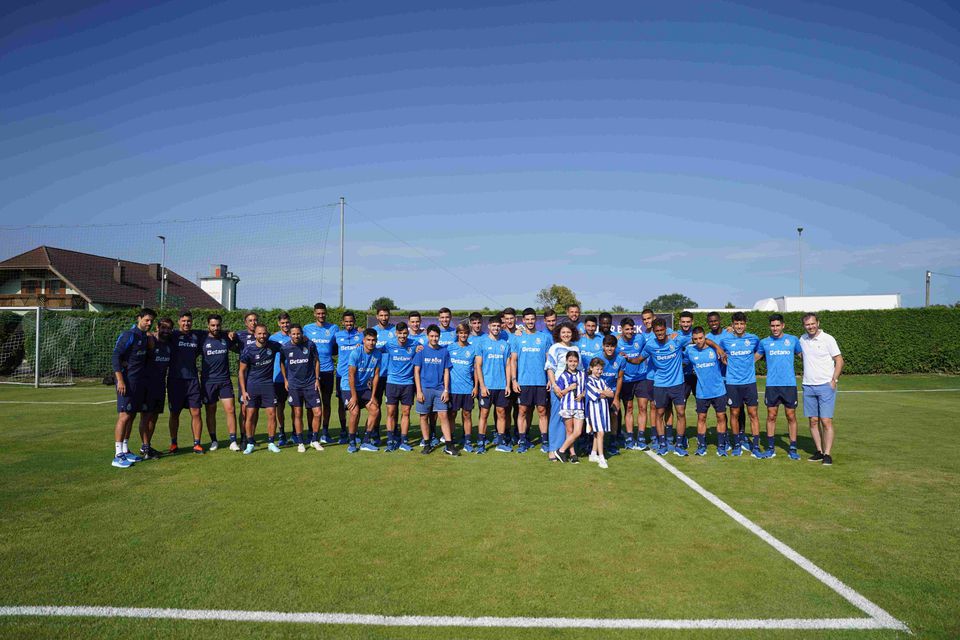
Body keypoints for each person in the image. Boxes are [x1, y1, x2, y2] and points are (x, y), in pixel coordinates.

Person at [632, 318, 695, 456]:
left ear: (666, 330)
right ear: (653, 331)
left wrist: (718, 348)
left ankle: (678, 444)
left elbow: (698, 338)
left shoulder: (677, 340)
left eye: (662, 330)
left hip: (677, 384)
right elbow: (639, 359)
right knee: (659, 414)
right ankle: (662, 444)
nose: (660, 333)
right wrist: (627, 358)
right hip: (660, 384)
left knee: (680, 413)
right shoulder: (650, 345)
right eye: (657, 331)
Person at [716, 312, 764, 458]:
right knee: (734, 413)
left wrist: (752, 361)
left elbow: (760, 351)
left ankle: (755, 446)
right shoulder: (725, 340)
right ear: (732, 325)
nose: (739, 326)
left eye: (741, 324)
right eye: (736, 324)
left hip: (749, 383)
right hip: (732, 383)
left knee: (753, 414)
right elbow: (720, 354)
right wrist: (725, 361)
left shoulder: (754, 338)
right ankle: (737, 444)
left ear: (745, 324)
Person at [110, 308, 154, 468]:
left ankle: (126, 449)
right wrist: (120, 380)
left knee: (132, 416)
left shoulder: (144, 337)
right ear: (139, 318)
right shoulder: (129, 335)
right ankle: (117, 454)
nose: (149, 323)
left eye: (151, 321)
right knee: (124, 416)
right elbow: (116, 356)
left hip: (138, 383)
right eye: (146, 320)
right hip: (126, 383)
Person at [798, 313, 843, 466]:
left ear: (818, 322)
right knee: (813, 421)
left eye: (812, 323)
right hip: (808, 385)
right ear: (804, 326)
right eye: (807, 325)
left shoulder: (828, 339)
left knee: (826, 421)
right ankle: (819, 451)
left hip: (825, 385)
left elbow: (839, 360)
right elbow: (801, 355)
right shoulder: (802, 339)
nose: (810, 327)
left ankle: (827, 454)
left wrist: (834, 380)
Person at [756, 314, 803, 460]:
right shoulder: (764, 342)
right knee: (771, 416)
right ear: (770, 327)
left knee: (791, 416)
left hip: (789, 385)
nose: (775, 328)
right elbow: (752, 359)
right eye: (772, 326)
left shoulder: (793, 340)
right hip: (772, 385)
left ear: (783, 325)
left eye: (777, 325)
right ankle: (770, 448)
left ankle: (793, 448)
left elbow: (807, 357)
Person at [238, 324, 284, 454]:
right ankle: (250, 443)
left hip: (268, 386)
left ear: (267, 334)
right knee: (250, 415)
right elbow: (241, 371)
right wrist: (243, 391)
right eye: (259, 334)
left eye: (264, 333)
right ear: (255, 335)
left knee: (271, 414)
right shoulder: (248, 350)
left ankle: (271, 442)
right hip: (252, 386)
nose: (262, 336)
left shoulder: (273, 346)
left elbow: (288, 345)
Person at [413, 325, 458, 456]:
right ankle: (427, 444)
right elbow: (416, 372)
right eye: (432, 336)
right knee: (424, 416)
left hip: (439, 390)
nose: (434, 338)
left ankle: (449, 445)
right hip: (425, 389)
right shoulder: (421, 351)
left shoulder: (444, 352)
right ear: (427, 336)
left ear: (440, 336)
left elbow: (446, 372)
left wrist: (446, 390)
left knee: (443, 415)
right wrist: (419, 391)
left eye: (436, 336)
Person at [509, 308, 550, 452]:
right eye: (527, 319)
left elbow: (548, 361)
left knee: (542, 411)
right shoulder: (517, 337)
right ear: (523, 321)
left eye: (532, 319)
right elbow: (513, 361)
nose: (530, 321)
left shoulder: (544, 337)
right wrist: (514, 380)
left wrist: (550, 379)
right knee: (522, 411)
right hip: (523, 382)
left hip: (540, 381)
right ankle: (522, 440)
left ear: (536, 320)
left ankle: (545, 441)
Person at [684, 327, 729, 456]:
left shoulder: (715, 350)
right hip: (701, 392)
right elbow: (683, 361)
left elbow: (725, 359)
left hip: (718, 390)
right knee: (701, 417)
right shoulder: (689, 351)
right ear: (693, 339)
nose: (698, 341)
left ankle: (721, 447)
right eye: (696, 339)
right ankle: (701, 446)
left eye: (701, 338)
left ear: (705, 337)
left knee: (721, 417)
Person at [168, 310, 207, 454]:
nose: (186, 323)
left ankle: (197, 444)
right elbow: (158, 335)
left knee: (196, 412)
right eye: (183, 321)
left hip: (192, 380)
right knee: (174, 413)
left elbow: (214, 330)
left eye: (189, 321)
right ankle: (173, 443)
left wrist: (228, 332)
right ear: (179, 322)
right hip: (175, 381)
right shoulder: (172, 336)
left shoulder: (197, 335)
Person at [199, 314, 240, 451]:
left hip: (225, 381)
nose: (215, 328)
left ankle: (233, 441)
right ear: (208, 326)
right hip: (208, 382)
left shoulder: (225, 338)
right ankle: (214, 440)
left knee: (230, 409)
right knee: (211, 411)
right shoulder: (202, 339)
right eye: (213, 325)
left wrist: (229, 332)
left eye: (218, 325)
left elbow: (237, 344)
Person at [280, 324, 323, 452]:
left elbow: (316, 361)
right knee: (297, 413)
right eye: (293, 334)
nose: (296, 336)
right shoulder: (285, 348)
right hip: (294, 385)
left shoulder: (310, 345)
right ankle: (300, 442)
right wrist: (286, 379)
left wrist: (316, 379)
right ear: (289, 334)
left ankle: (314, 440)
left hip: (310, 384)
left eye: (298, 333)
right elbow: (281, 362)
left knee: (318, 412)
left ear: (302, 333)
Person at [474, 314, 513, 453]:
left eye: (498, 326)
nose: (496, 328)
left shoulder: (504, 344)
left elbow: (508, 365)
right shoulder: (482, 343)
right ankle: (481, 443)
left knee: (501, 413)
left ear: (501, 327)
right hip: (487, 387)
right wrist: (482, 386)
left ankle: (501, 443)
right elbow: (478, 366)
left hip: (501, 386)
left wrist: (508, 385)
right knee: (484, 414)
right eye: (493, 326)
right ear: (489, 327)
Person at [302, 303, 339, 444]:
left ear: (326, 313)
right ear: (314, 313)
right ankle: (311, 432)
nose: (321, 315)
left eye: (323, 313)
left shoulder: (334, 328)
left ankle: (325, 432)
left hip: (328, 370)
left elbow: (340, 343)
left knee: (327, 402)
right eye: (318, 313)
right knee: (311, 404)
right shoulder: (307, 328)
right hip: (311, 373)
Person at [545, 322, 580, 461]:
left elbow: (580, 369)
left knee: (569, 421)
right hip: (559, 390)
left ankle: (565, 449)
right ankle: (552, 449)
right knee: (556, 418)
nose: (566, 335)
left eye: (569, 332)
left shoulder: (576, 348)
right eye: (563, 332)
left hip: (572, 391)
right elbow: (550, 368)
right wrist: (554, 385)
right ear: (559, 334)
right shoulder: (555, 348)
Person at [138, 316, 172, 458]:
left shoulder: (170, 344)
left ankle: (147, 446)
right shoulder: (149, 340)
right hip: (146, 385)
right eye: (163, 327)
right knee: (145, 417)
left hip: (160, 386)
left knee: (154, 418)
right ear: (157, 327)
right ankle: (145, 448)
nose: (165, 330)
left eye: (168, 328)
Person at [383, 322, 418, 451]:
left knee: (406, 413)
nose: (402, 336)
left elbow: (427, 348)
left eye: (405, 333)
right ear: (396, 333)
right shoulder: (389, 344)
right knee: (391, 412)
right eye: (400, 333)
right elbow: (375, 349)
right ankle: (390, 440)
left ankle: (404, 440)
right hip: (392, 383)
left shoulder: (414, 344)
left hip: (408, 384)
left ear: (407, 333)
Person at [346, 329, 382, 453]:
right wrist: (354, 396)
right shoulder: (355, 353)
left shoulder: (377, 354)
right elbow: (351, 375)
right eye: (368, 340)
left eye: (373, 340)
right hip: (348, 387)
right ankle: (351, 442)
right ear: (363, 340)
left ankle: (365, 441)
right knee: (355, 411)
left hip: (364, 388)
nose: (371, 343)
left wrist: (373, 396)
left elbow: (376, 375)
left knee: (375, 409)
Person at [616, 318, 648, 450]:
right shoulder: (617, 342)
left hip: (641, 378)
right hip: (626, 380)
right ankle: (629, 437)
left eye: (631, 329)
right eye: (627, 329)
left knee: (642, 408)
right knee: (628, 408)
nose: (630, 331)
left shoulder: (640, 339)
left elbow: (649, 349)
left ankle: (641, 437)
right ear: (622, 330)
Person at [448, 322, 480, 452]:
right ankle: (451, 440)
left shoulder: (473, 349)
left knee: (467, 415)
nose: (463, 335)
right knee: (452, 415)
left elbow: (477, 369)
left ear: (469, 334)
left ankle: (467, 441)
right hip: (453, 389)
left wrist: (476, 386)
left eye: (465, 333)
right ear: (457, 334)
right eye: (461, 333)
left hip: (468, 388)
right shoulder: (450, 348)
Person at [333, 312, 362, 444]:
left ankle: (354, 432)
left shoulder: (360, 336)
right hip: (341, 375)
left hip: (356, 375)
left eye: (351, 321)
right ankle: (343, 430)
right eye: (346, 322)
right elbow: (332, 350)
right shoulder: (337, 336)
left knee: (355, 404)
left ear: (354, 322)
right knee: (341, 404)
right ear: (342, 322)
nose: (349, 324)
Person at [369, 306, 395, 445]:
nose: (384, 317)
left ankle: (394, 433)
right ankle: (375, 433)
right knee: (376, 405)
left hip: (392, 376)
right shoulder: (373, 331)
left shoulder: (394, 330)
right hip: (377, 375)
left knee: (392, 407)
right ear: (377, 316)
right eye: (381, 315)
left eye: (386, 315)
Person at [554, 351, 585, 463]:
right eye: (570, 361)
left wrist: (582, 395)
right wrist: (569, 388)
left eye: (575, 361)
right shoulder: (563, 376)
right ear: (566, 362)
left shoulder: (582, 374)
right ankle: (572, 454)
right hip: (567, 406)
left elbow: (586, 388)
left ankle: (561, 450)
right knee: (570, 430)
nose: (573, 363)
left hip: (579, 406)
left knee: (578, 432)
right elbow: (559, 392)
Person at [585, 357, 614, 469]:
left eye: (601, 369)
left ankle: (593, 454)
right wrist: (603, 392)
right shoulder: (588, 380)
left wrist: (602, 392)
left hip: (603, 410)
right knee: (600, 432)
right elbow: (595, 395)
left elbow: (611, 394)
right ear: (591, 368)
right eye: (597, 369)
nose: (599, 371)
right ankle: (601, 457)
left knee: (599, 433)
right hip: (594, 410)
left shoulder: (602, 380)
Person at [235, 311, 259, 444]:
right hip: (244, 377)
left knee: (254, 408)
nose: (253, 322)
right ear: (246, 322)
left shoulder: (262, 335)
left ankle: (251, 436)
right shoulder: (240, 336)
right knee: (244, 407)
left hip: (258, 377)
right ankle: (243, 436)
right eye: (250, 320)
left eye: (255, 320)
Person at [598, 334, 625, 455]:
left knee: (614, 414)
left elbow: (619, 378)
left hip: (613, 392)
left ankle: (613, 442)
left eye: (612, 346)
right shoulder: (597, 358)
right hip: (600, 393)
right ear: (603, 346)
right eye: (607, 346)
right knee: (598, 418)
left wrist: (616, 398)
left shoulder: (620, 359)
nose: (610, 349)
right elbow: (593, 377)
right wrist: (601, 392)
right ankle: (595, 442)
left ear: (616, 347)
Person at [270, 312, 293, 445]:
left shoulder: (296, 336)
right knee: (280, 406)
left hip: (295, 378)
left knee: (296, 407)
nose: (285, 325)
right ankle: (282, 433)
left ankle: (296, 433)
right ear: (279, 323)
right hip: (278, 378)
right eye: (283, 323)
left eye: (287, 322)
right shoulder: (273, 338)